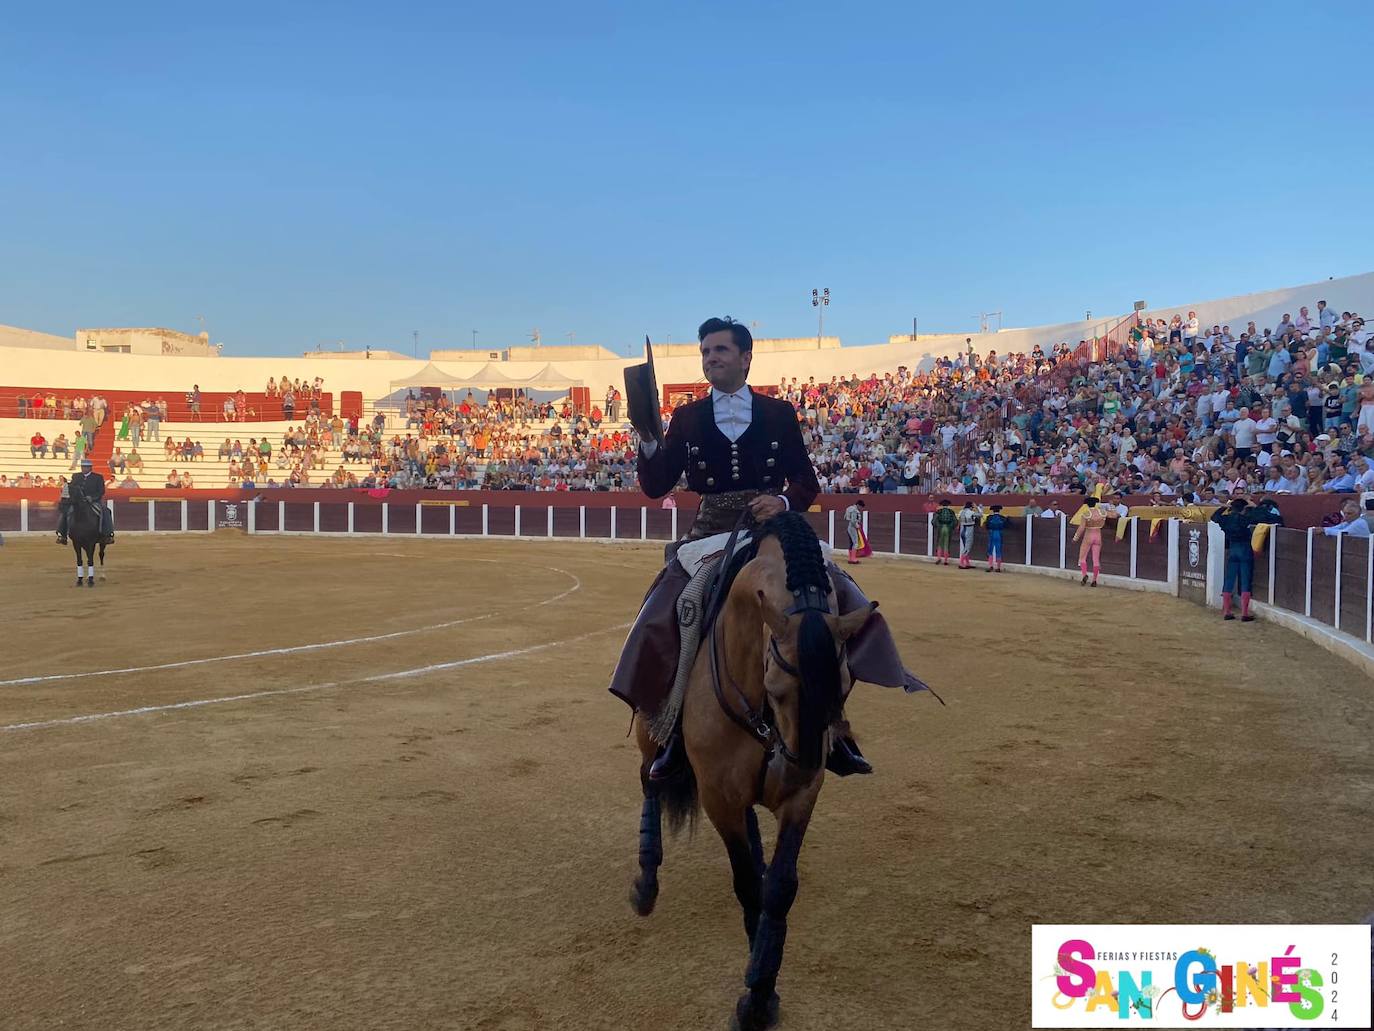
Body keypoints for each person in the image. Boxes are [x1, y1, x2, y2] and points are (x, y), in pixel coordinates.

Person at [609, 317, 923, 782]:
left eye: (720, 350)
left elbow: (806, 480)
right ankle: (671, 729)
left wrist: (782, 500)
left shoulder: (778, 413)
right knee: (673, 606)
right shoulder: (688, 417)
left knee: (838, 591)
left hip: (775, 526)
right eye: (706, 352)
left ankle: (833, 728)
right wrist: (650, 440)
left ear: (745, 358)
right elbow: (656, 487)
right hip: (712, 530)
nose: (710, 358)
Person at [1211, 497, 1263, 621]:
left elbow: (1214, 517)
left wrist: (1225, 507)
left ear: (1232, 508)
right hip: (1245, 550)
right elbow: (1262, 516)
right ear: (1244, 509)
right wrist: (1254, 506)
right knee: (1245, 580)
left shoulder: (1226, 519)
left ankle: (1227, 612)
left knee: (1229, 579)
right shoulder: (1246, 518)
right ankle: (1245, 613)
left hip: (1233, 550)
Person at [57, 457, 114, 545]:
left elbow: (101, 491)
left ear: (90, 468)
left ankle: (108, 535)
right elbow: (71, 488)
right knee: (66, 511)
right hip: (78, 502)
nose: (84, 469)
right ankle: (62, 534)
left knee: (106, 511)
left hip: (94, 502)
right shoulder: (76, 476)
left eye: (86, 467)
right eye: (83, 467)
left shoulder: (98, 477)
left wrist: (92, 497)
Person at [1073, 496, 1106, 586]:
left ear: (1087, 504)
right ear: (1095, 504)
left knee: (1082, 557)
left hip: (1088, 535)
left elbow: (1081, 528)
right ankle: (1094, 580)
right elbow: (1114, 514)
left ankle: (1084, 575)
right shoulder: (1102, 513)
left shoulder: (1086, 514)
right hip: (1098, 536)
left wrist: (1075, 538)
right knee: (1096, 559)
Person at [984, 504, 1009, 573]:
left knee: (990, 549)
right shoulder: (1002, 518)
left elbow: (986, 526)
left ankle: (990, 566)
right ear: (999, 510)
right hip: (999, 534)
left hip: (991, 533)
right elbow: (1006, 525)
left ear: (992, 511)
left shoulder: (989, 518)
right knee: (998, 550)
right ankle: (998, 567)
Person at [844, 499, 869, 564]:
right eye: (860, 507)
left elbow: (846, 518)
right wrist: (857, 526)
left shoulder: (850, 508)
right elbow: (853, 521)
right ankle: (853, 559)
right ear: (858, 505)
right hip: (853, 528)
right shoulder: (854, 510)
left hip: (849, 527)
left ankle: (850, 558)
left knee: (852, 543)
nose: (860, 508)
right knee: (855, 543)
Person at [956, 501, 979, 569]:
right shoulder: (971, 512)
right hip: (968, 530)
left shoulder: (961, 511)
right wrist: (977, 507)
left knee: (965, 547)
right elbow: (980, 515)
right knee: (967, 548)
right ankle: (961, 563)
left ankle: (967, 563)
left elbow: (959, 520)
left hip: (962, 530)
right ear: (971, 506)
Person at [932, 499, 956, 565]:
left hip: (941, 528)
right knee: (946, 544)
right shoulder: (951, 512)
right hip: (948, 528)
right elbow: (955, 521)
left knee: (939, 543)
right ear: (948, 505)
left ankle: (939, 558)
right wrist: (951, 527)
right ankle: (946, 560)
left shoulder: (939, 511)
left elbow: (933, 521)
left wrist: (937, 526)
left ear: (942, 505)